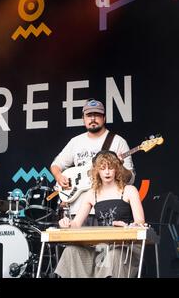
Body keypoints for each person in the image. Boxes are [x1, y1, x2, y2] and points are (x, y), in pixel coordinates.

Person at [54, 150, 145, 278]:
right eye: (102, 168)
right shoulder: (92, 194)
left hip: (125, 248)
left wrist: (127, 226)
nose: (107, 172)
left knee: (113, 256)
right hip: (101, 248)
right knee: (71, 251)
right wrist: (66, 223)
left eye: (110, 168)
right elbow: (75, 224)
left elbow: (140, 221)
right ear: (97, 171)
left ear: (117, 169)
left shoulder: (129, 190)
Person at [50, 98, 135, 224]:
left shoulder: (118, 142)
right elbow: (56, 165)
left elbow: (130, 179)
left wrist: (119, 165)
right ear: (83, 118)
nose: (93, 119)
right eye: (89, 115)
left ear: (104, 118)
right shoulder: (76, 142)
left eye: (97, 115)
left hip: (106, 210)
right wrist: (58, 176)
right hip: (77, 210)